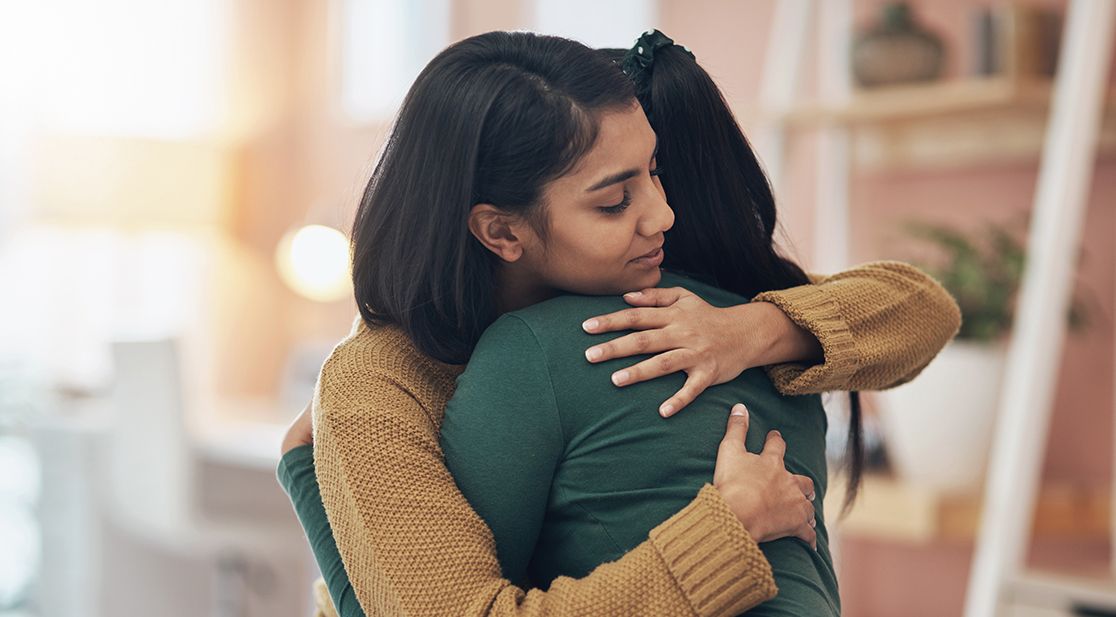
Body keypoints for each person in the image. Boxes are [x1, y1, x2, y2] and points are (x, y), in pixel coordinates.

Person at [277, 30, 960, 617]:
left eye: (655, 172)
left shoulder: (664, 308)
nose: (662, 214)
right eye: (613, 201)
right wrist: (727, 530)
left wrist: (749, 331)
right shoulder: (380, 382)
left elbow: (921, 309)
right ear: (500, 231)